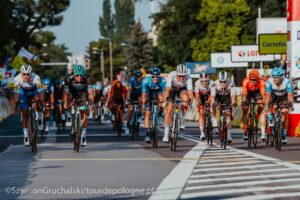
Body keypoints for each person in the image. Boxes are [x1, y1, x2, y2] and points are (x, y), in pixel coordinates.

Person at [63, 64, 94, 146]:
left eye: (81, 75)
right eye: (77, 75)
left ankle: (83, 136)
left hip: (83, 93)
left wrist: (91, 104)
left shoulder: (87, 78)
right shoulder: (68, 78)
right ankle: (72, 119)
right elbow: (65, 93)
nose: (79, 77)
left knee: (84, 112)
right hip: (72, 93)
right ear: (74, 74)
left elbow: (91, 93)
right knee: (70, 103)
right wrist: (65, 102)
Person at [163, 64, 193, 143]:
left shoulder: (188, 78)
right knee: (169, 110)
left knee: (186, 99)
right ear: (176, 73)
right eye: (180, 76)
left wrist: (190, 102)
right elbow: (167, 89)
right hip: (172, 90)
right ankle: (166, 134)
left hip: (182, 90)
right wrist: (165, 101)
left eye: (183, 76)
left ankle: (182, 119)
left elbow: (190, 92)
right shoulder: (171, 75)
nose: (182, 78)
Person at [14, 64, 43, 146]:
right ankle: (26, 135)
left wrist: (41, 101)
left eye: (28, 74)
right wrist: (17, 103)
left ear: (31, 73)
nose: (26, 76)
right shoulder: (16, 79)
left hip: (34, 91)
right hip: (23, 92)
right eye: (24, 74)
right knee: (24, 113)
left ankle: (40, 117)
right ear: (21, 74)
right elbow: (16, 93)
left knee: (38, 99)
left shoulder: (36, 77)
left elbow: (41, 90)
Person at [265, 67, 294, 144]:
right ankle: (270, 117)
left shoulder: (287, 82)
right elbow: (268, 95)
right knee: (269, 101)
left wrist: (291, 104)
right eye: (273, 76)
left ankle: (284, 133)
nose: (274, 79)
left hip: (283, 97)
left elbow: (290, 95)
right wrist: (267, 106)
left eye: (276, 77)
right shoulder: (269, 82)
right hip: (274, 96)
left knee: (285, 112)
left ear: (281, 77)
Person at [210, 71, 237, 144]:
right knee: (213, 105)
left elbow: (233, 96)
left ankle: (229, 135)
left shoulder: (231, 83)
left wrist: (234, 104)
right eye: (221, 82)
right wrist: (213, 104)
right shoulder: (214, 84)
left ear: (227, 80)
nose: (223, 83)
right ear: (219, 80)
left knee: (228, 114)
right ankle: (214, 119)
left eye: (224, 82)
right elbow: (212, 96)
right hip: (217, 97)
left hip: (227, 97)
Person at [142, 67, 166, 143]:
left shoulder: (162, 81)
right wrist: (143, 103)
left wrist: (164, 103)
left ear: (159, 76)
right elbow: (143, 94)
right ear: (151, 76)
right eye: (153, 76)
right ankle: (147, 133)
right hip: (149, 91)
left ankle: (159, 114)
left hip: (158, 91)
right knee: (147, 113)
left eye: (157, 76)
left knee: (162, 100)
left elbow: (165, 93)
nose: (155, 78)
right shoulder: (145, 80)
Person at [241, 70, 266, 141]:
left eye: (254, 80)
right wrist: (244, 101)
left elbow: (263, 94)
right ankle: (245, 130)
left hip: (256, 92)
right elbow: (245, 94)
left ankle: (257, 116)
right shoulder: (245, 81)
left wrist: (264, 102)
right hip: (248, 92)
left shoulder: (261, 82)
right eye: (251, 79)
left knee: (261, 105)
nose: (252, 81)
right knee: (245, 109)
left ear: (257, 79)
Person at [194, 73, 213, 140]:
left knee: (211, 107)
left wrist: (210, 103)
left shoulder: (211, 83)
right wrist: (197, 106)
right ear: (199, 81)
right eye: (202, 81)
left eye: (206, 81)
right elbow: (196, 96)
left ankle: (212, 121)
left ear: (208, 80)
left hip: (209, 95)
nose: (204, 82)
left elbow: (213, 95)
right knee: (201, 113)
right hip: (200, 96)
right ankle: (202, 132)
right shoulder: (197, 83)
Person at [125, 69, 144, 135]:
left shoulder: (143, 81)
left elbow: (144, 92)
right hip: (132, 95)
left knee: (142, 103)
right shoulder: (132, 80)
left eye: (140, 76)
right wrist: (128, 98)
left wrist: (144, 100)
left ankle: (139, 116)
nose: (139, 78)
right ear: (135, 76)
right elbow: (129, 90)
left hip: (139, 95)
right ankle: (127, 125)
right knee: (130, 110)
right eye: (137, 77)